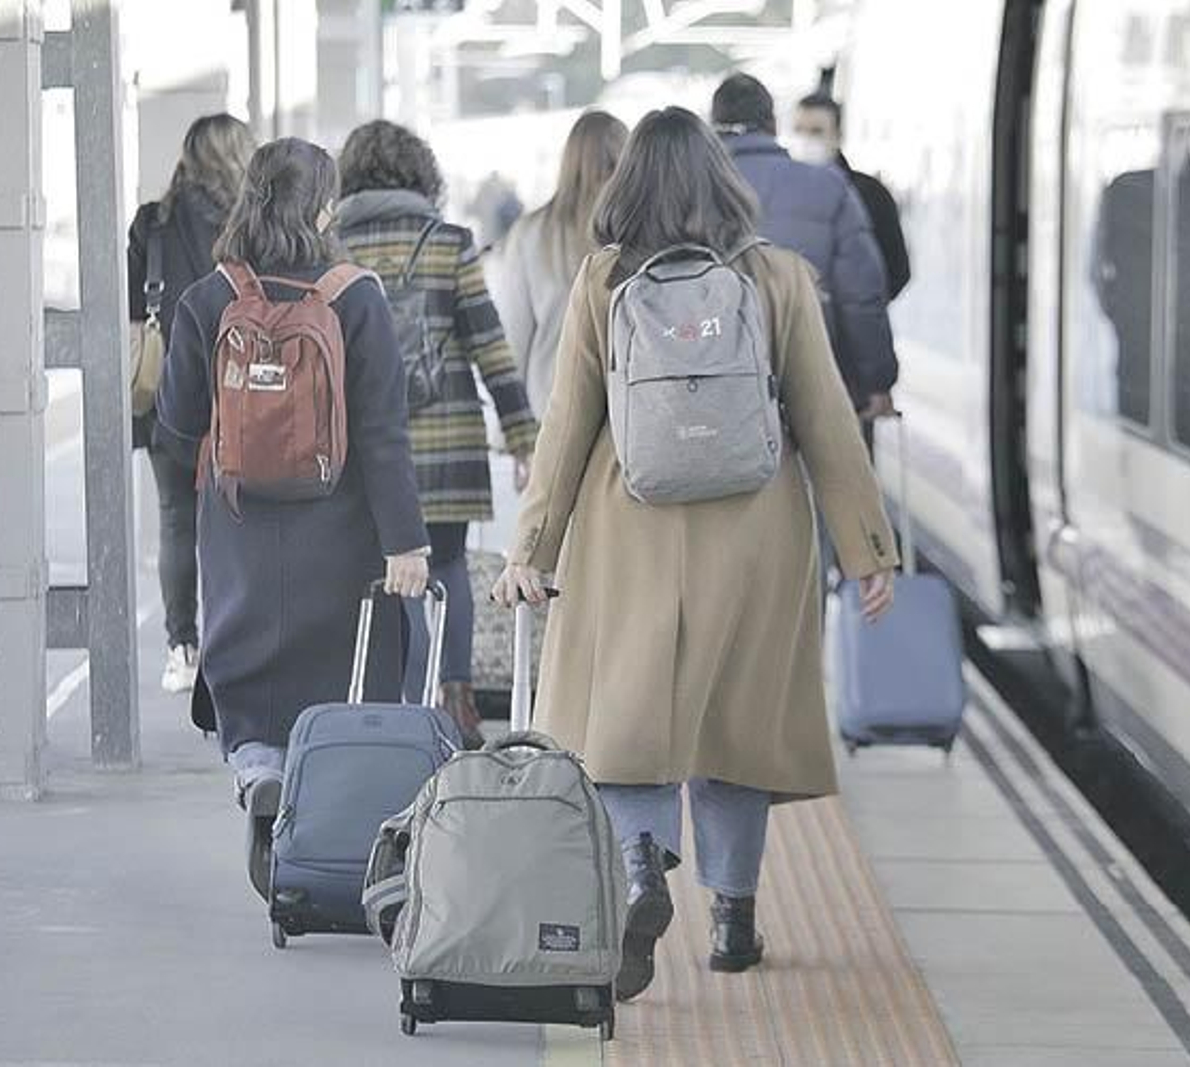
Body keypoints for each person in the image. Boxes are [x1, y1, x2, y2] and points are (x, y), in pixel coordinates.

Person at [493, 107, 899, 1002]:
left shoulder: (602, 281)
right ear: (723, 182)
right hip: (756, 530)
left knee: (631, 716)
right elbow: (829, 422)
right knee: (734, 722)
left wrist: (531, 548)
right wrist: (870, 551)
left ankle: (641, 866)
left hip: (625, 524)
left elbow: (565, 430)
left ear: (629, 185)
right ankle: (733, 920)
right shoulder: (779, 278)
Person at [155, 137, 431, 890]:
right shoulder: (355, 296)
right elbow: (382, 433)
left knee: (250, 677)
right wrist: (405, 542)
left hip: (239, 525)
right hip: (340, 533)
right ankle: (334, 827)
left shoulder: (208, 297)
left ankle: (257, 778)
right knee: (342, 681)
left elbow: (176, 426)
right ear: (325, 208)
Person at [335, 120, 538, 749]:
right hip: (447, 438)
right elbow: (490, 349)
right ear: (423, 176)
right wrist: (523, 438)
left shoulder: (334, 245)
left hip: (365, 446)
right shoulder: (450, 243)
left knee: (384, 575)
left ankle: (395, 710)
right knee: (445, 567)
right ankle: (453, 704)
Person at [126, 113, 255, 693]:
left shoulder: (152, 223)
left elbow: (132, 312)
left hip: (168, 399)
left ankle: (183, 646)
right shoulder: (253, 225)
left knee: (176, 519)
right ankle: (239, 646)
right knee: (240, 521)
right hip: (246, 395)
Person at [711, 73, 897, 422]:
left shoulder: (687, 188)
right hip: (814, 384)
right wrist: (876, 381)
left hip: (713, 388)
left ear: (712, 126)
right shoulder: (830, 187)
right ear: (773, 124)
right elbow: (860, 296)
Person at [493, 110, 629, 414]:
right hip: (629, 413)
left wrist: (513, 430)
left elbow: (514, 338)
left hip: (555, 411)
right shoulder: (640, 230)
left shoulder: (530, 234)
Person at [791, 92, 911, 301]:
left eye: (816, 131)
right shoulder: (781, 191)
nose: (806, 140)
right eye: (799, 130)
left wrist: (862, 308)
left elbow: (897, 270)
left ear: (837, 136)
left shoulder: (871, 194)